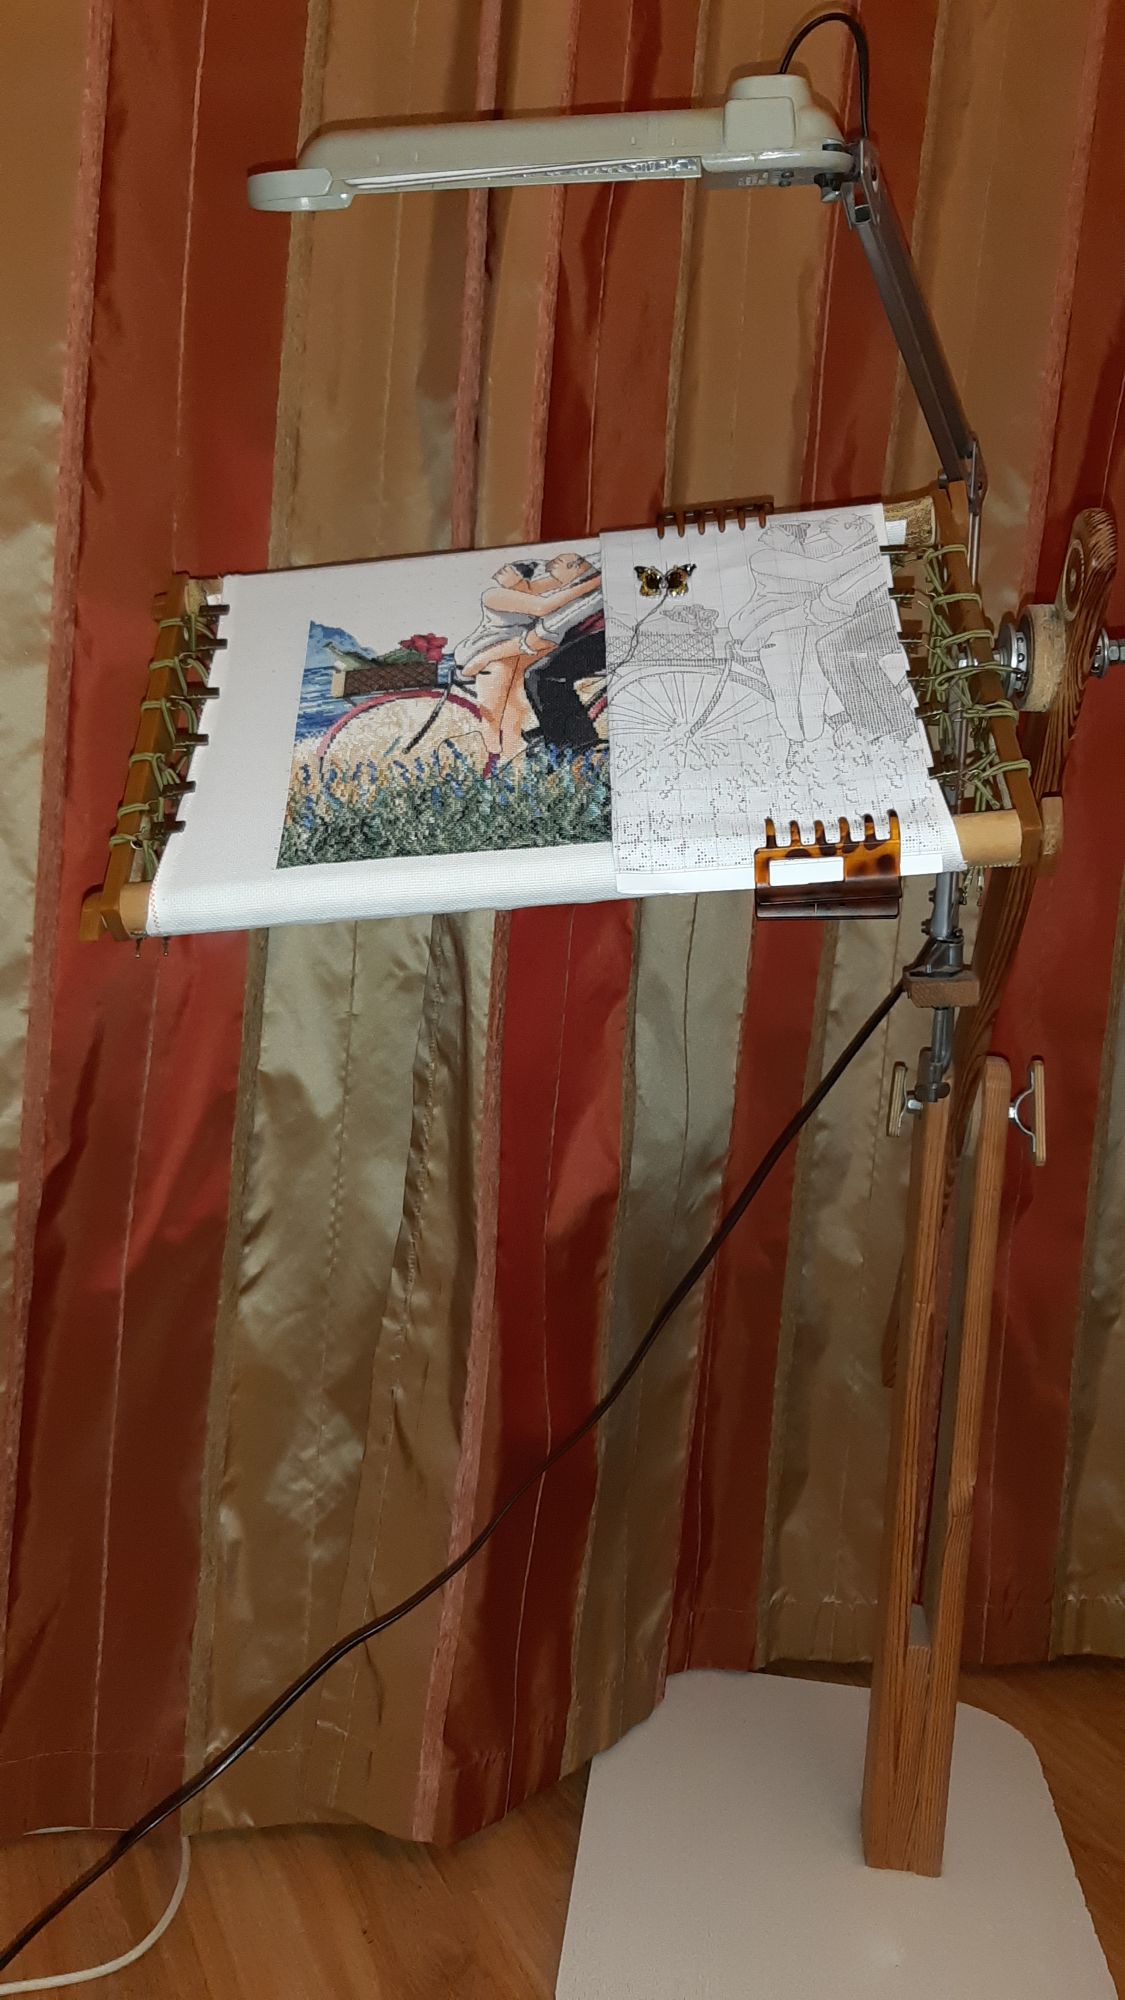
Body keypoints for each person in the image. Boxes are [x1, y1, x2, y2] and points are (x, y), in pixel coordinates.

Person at [453, 555, 601, 767]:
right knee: (496, 710)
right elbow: (543, 607)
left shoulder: (531, 593)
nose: (550, 585)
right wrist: (595, 582)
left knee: (517, 701)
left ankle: (518, 752)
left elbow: (549, 608)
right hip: (486, 649)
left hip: (514, 648)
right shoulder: (495, 595)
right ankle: (496, 754)